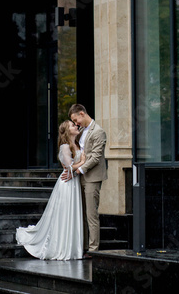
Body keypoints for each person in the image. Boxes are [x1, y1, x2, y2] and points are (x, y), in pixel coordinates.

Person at [16, 120, 86, 260]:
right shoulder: (65, 147)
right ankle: (60, 246)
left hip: (74, 182)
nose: (76, 126)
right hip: (67, 183)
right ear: (67, 131)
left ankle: (73, 248)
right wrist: (83, 161)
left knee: (72, 213)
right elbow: (69, 167)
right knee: (65, 214)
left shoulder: (77, 144)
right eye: (73, 125)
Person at [63, 104, 107, 257]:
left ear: (82, 113)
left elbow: (95, 157)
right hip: (79, 178)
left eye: (76, 120)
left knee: (91, 214)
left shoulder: (99, 132)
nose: (76, 124)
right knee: (80, 213)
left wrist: (77, 170)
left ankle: (93, 250)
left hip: (92, 178)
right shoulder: (81, 131)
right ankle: (81, 247)